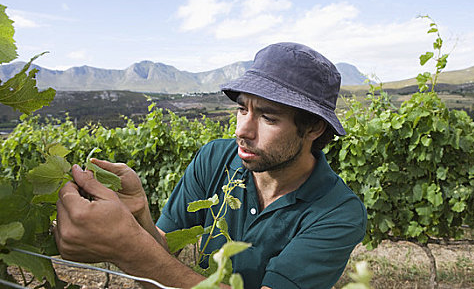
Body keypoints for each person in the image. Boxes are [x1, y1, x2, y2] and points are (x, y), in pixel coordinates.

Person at [55, 42, 367, 289]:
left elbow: (151, 262)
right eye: (242, 110)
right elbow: (165, 254)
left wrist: (128, 249)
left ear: (313, 128)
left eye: (268, 118)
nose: (242, 131)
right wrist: (139, 216)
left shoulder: (338, 212)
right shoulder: (214, 158)